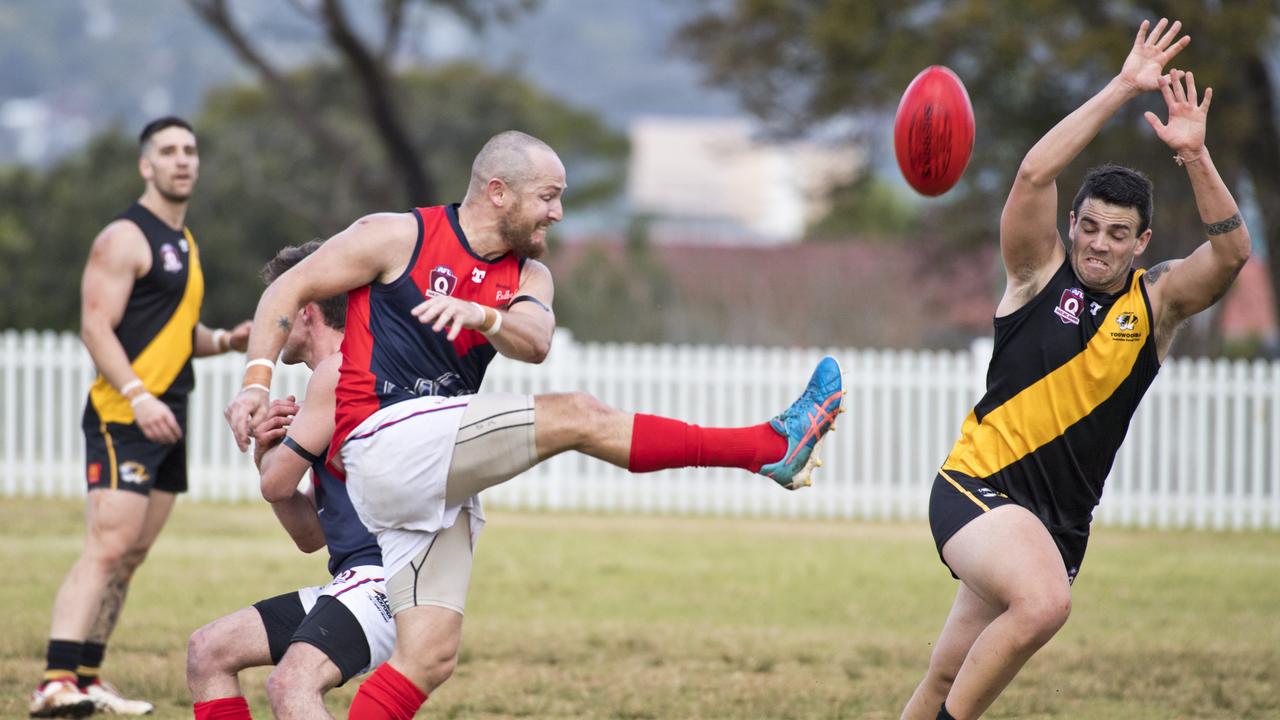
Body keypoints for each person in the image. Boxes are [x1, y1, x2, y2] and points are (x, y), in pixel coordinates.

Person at [224, 130, 844, 720]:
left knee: (427, 657)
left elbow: (537, 338)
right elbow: (290, 288)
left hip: (430, 473)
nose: (558, 214)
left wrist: (482, 316)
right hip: (385, 439)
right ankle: (766, 448)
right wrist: (256, 382)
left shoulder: (527, 275)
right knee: (576, 414)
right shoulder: (396, 236)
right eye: (548, 197)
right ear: (499, 192)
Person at [900, 19, 1251, 720]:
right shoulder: (1035, 277)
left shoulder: (1156, 304)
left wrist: (1194, 157)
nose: (1098, 243)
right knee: (1044, 605)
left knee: (945, 678)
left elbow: (1232, 256)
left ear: (1142, 241)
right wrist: (1124, 86)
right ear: (1072, 225)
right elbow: (1035, 173)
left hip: (1056, 526)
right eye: (1088, 226)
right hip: (977, 490)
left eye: (1118, 233)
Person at [30, 117, 253, 719]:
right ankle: (54, 683)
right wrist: (137, 395)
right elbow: (95, 325)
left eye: (190, 150)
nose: (183, 160)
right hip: (125, 414)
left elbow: (176, 335)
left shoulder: (185, 243)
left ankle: (87, 676)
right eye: (169, 152)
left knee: (132, 554)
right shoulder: (124, 237)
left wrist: (227, 340)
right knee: (107, 545)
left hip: (169, 415)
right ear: (145, 166)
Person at [188, 240, 393, 720]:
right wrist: (270, 457)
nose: (270, 329)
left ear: (305, 311)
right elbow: (311, 535)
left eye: (278, 310)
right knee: (208, 651)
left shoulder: (343, 373)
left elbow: (275, 484)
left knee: (290, 684)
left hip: (390, 583)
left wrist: (269, 455)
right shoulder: (337, 377)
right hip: (354, 580)